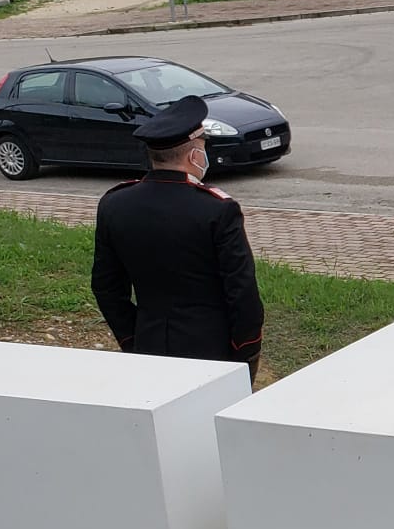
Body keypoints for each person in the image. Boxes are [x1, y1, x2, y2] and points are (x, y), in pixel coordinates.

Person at [92, 94, 265, 376]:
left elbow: (107, 288)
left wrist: (131, 338)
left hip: (148, 342)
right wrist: (245, 351)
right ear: (193, 154)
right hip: (213, 350)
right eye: (203, 146)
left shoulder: (115, 204)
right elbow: (242, 292)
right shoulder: (217, 210)